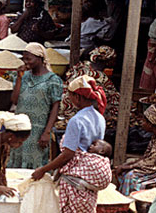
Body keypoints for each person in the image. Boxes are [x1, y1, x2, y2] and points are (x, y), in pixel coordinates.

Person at [31, 75, 111, 213]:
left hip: (75, 181)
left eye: (71, 96)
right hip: (89, 180)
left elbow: (68, 154)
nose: (69, 99)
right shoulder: (100, 118)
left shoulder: (77, 120)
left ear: (78, 97)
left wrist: (43, 169)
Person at [8, 42, 63, 168]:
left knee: (34, 164)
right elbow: (15, 100)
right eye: (24, 59)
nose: (26, 62)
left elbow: (55, 107)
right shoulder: (23, 76)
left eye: (29, 59)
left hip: (38, 129)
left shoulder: (53, 80)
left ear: (40, 58)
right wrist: (20, 78)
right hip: (20, 128)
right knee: (17, 161)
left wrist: (47, 132)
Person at [59, 45, 121, 129]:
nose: (114, 63)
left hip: (66, 108)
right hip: (80, 111)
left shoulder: (79, 67)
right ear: (108, 61)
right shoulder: (100, 77)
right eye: (113, 60)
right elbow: (113, 96)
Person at [115, 105, 156, 196]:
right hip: (152, 166)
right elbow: (146, 156)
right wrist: (127, 165)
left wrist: (127, 167)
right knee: (125, 168)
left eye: (144, 121)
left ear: (150, 124)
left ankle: (132, 200)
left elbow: (151, 162)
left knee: (130, 176)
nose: (142, 123)